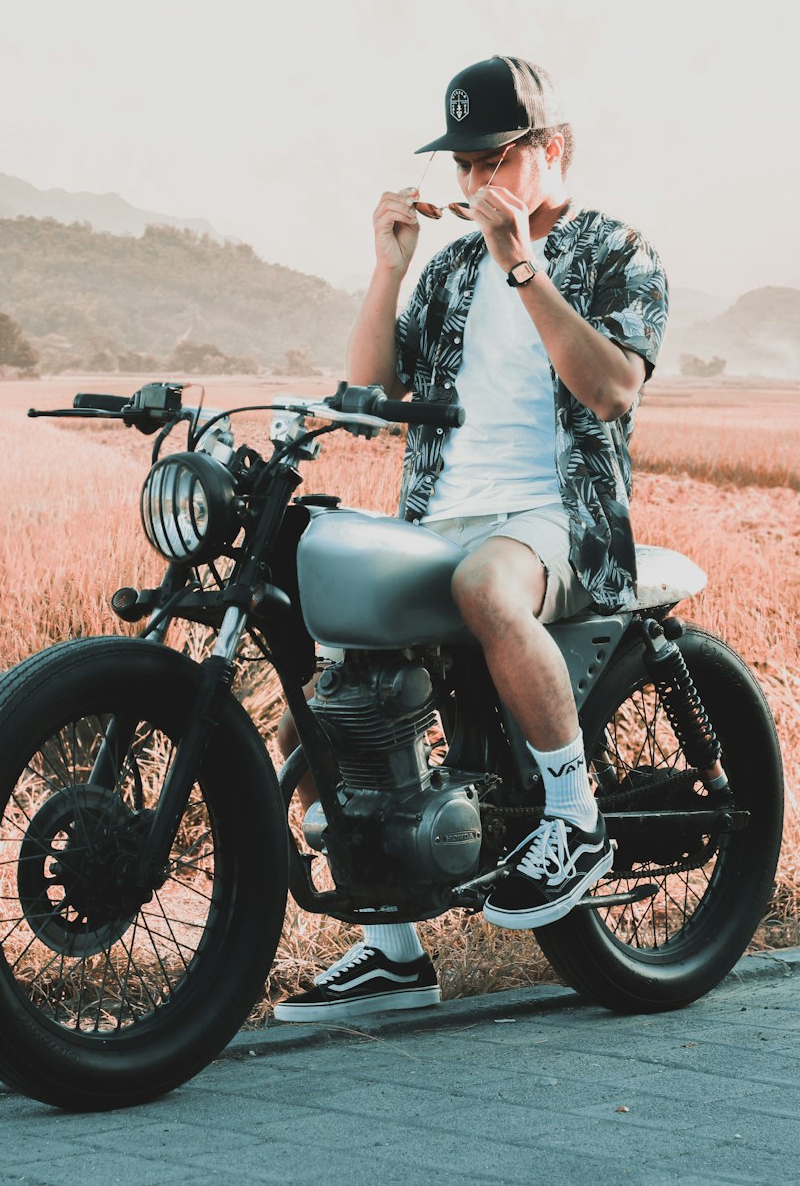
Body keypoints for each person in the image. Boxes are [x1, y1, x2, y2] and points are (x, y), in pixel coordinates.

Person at [274, 55, 667, 1023]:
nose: (475, 182)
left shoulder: (620, 250)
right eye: (462, 165)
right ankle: (394, 951)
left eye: (494, 157)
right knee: (311, 722)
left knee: (489, 588)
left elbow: (611, 388)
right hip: (441, 519)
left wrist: (521, 264)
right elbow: (370, 396)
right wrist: (387, 264)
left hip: (557, 517)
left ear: (553, 148)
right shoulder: (448, 270)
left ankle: (572, 817)